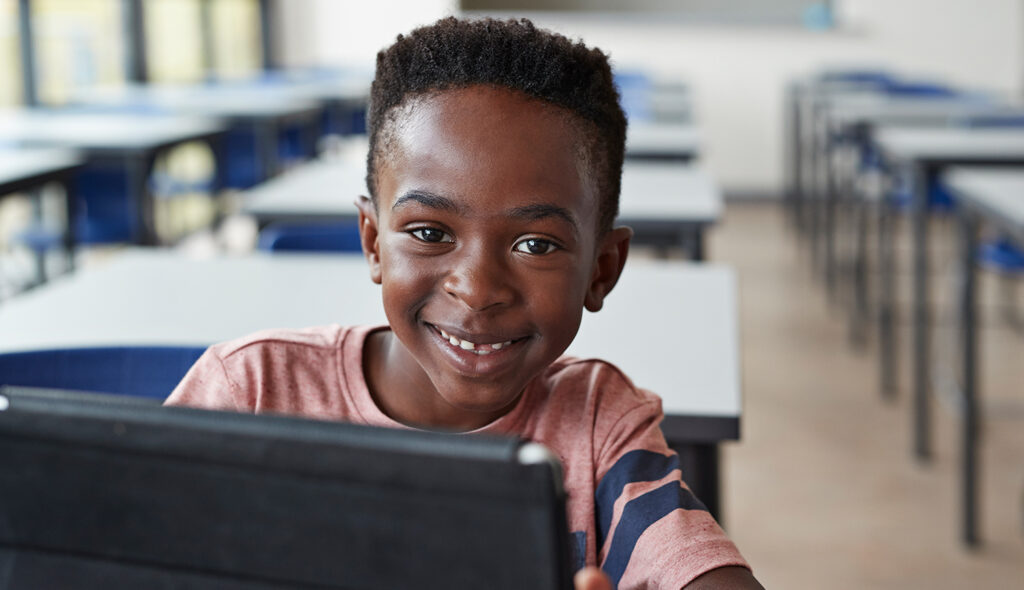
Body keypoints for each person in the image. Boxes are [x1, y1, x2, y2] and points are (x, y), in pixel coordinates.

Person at [167, 16, 762, 590]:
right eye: (429, 233)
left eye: (536, 244)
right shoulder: (250, 394)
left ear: (602, 270)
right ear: (373, 241)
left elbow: (697, 568)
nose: (477, 290)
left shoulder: (599, 427)